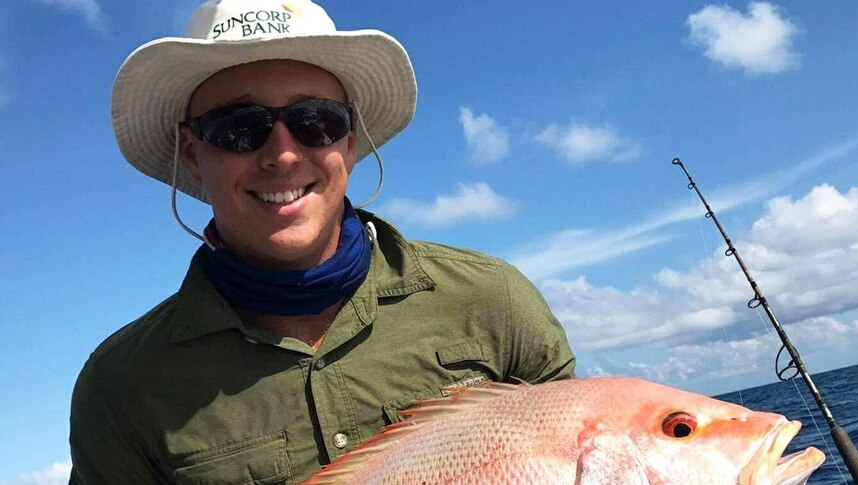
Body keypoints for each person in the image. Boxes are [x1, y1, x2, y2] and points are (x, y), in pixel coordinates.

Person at [69, 0, 575, 483]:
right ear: (193, 153)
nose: (283, 154)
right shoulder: (119, 389)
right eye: (238, 128)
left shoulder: (493, 300)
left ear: (350, 140)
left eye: (316, 121)